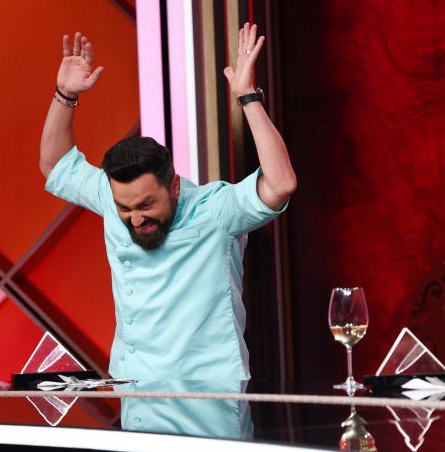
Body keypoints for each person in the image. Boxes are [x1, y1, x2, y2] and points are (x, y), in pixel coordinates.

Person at [39, 23, 296, 379]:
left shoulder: (215, 210)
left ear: (174, 186)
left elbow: (280, 183)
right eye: (125, 209)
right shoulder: (110, 194)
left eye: (146, 206)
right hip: (132, 384)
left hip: (210, 390)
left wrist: (248, 97)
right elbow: (55, 165)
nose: (135, 219)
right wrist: (65, 95)